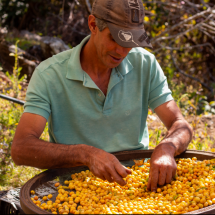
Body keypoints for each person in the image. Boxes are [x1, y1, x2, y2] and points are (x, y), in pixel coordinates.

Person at [11, 0, 193, 192]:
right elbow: (21, 148)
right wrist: (85, 154)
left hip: (136, 186)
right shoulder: (49, 74)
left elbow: (180, 124)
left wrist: (167, 147)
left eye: (130, 42)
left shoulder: (144, 64)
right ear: (93, 25)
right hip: (74, 191)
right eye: (115, 39)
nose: (122, 51)